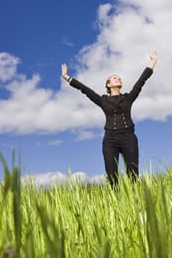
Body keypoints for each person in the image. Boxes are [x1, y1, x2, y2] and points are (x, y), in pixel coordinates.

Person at [61, 51, 158, 187]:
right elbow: (85, 90)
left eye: (119, 78)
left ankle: (135, 203)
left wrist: (153, 62)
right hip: (110, 140)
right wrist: (67, 77)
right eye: (114, 78)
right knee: (112, 177)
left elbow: (141, 82)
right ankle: (117, 202)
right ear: (108, 85)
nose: (118, 79)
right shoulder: (103, 100)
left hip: (128, 138)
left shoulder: (128, 98)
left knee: (133, 175)